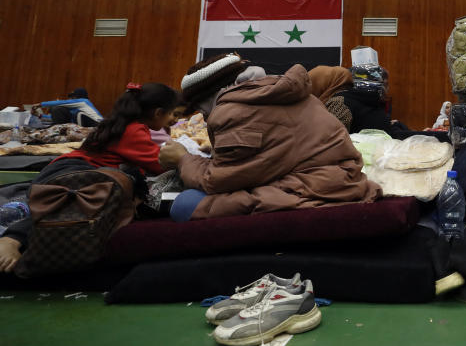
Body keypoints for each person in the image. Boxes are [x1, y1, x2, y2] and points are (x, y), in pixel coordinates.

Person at [158, 53, 381, 222]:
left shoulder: (231, 111)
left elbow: (217, 181)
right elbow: (267, 157)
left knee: (185, 204)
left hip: (317, 192)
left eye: (201, 109)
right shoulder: (282, 92)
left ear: (208, 98)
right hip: (339, 182)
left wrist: (182, 159)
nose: (204, 117)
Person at [0, 82, 184, 273]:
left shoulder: (123, 125)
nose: (173, 120)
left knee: (48, 205)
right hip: (76, 172)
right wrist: (185, 158)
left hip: (68, 168)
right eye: (173, 114)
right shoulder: (134, 131)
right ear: (158, 113)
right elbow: (158, 163)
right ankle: (11, 239)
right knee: (59, 207)